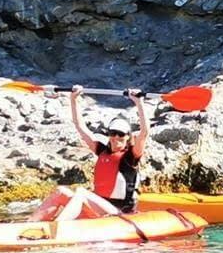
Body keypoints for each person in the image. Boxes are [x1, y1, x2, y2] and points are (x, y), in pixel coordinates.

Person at [30, 87, 149, 222]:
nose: (116, 137)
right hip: (99, 207)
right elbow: (80, 126)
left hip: (120, 213)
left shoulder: (130, 157)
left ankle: (57, 228)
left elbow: (144, 132)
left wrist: (139, 102)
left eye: (121, 134)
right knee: (60, 192)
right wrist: (73, 98)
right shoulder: (102, 151)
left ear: (128, 137)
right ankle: (28, 225)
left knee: (81, 193)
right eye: (112, 133)